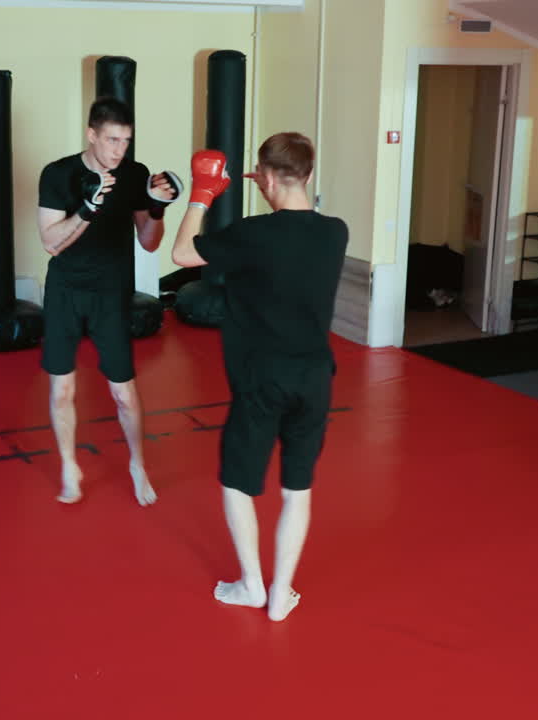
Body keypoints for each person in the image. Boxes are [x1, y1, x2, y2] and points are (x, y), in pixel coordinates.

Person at [171, 132, 348, 622]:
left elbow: (183, 254)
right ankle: (280, 595)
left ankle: (252, 585)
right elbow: (293, 226)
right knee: (298, 490)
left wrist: (203, 194)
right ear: (309, 174)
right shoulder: (336, 232)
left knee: (237, 483)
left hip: (260, 380)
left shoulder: (251, 234)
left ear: (263, 177)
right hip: (315, 377)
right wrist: (275, 184)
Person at [37, 97, 181, 507]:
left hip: (111, 294)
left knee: (124, 393)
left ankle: (138, 464)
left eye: (126, 141)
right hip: (65, 291)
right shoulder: (58, 174)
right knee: (62, 390)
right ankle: (69, 464)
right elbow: (50, 243)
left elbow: (149, 242)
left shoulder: (135, 175)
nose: (119, 149)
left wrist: (157, 206)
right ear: (91, 134)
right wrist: (88, 207)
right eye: (112, 139)